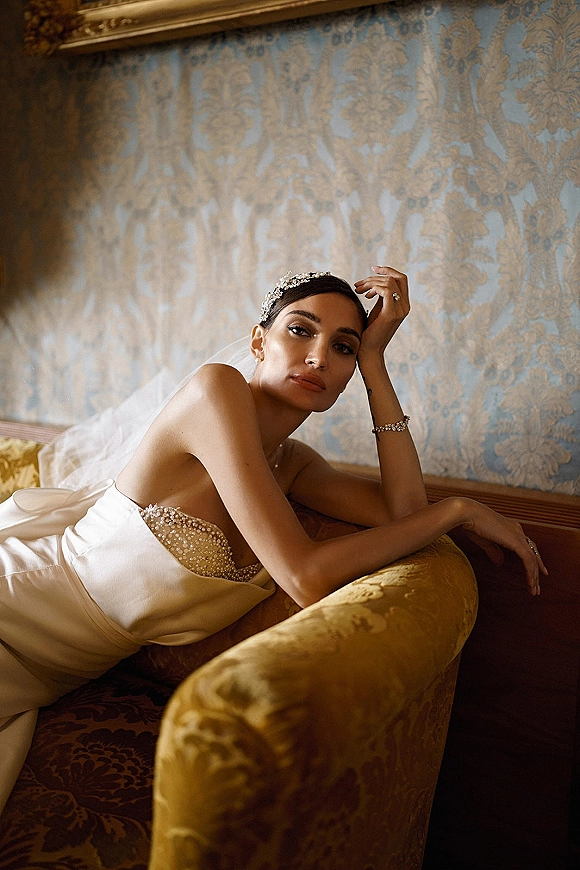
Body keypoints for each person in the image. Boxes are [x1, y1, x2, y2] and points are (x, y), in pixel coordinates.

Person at [0, 265, 546, 815]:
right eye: (301, 331)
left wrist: (376, 364)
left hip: (50, 672)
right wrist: (459, 508)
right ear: (260, 341)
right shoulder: (215, 391)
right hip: (18, 607)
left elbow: (403, 515)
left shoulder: (294, 466)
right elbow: (306, 578)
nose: (318, 359)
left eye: (344, 348)